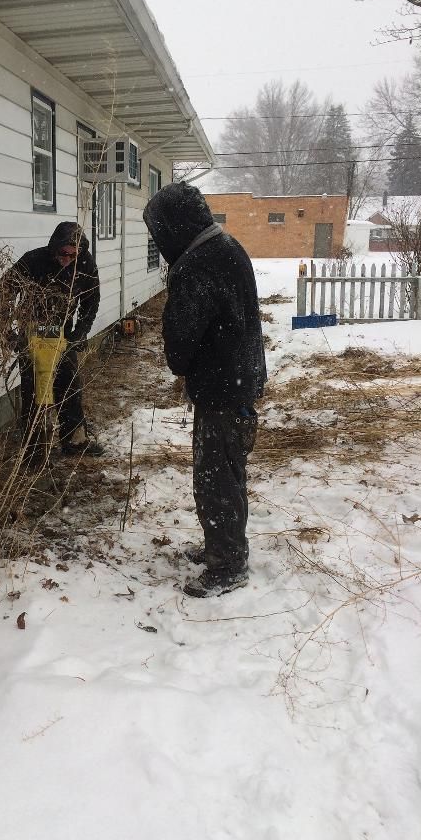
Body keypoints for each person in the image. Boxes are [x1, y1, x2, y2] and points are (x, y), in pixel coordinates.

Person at [143, 183, 267, 598]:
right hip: (237, 381)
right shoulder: (228, 248)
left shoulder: (197, 266)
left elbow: (178, 350)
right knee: (228, 472)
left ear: (172, 227)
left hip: (220, 388)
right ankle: (224, 547)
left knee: (215, 478)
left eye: (158, 232)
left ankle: (228, 563)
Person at [4, 221, 103, 460]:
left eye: (73, 254)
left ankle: (74, 441)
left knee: (70, 389)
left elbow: (92, 300)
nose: (68, 258)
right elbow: (2, 292)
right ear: (55, 247)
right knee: (35, 394)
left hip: (62, 336)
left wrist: (80, 332)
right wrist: (9, 333)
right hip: (33, 335)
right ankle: (34, 451)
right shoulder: (33, 261)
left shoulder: (86, 263)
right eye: (64, 253)